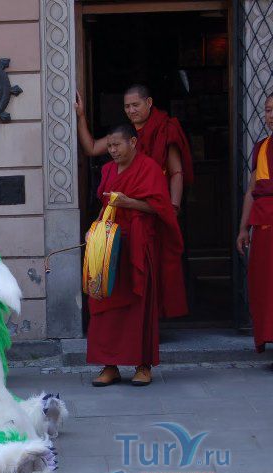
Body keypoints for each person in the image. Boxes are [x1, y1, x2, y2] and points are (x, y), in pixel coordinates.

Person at [87, 124, 187, 387]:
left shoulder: (149, 168)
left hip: (138, 245)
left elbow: (160, 207)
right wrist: (94, 229)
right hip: (109, 247)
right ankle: (110, 366)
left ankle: (143, 365)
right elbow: (106, 205)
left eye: (117, 145)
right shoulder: (108, 170)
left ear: (133, 142)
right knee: (105, 304)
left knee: (139, 307)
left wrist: (129, 203)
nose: (112, 151)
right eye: (109, 146)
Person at [75, 85, 193, 214]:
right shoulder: (125, 134)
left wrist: (174, 207)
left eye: (135, 105)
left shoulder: (165, 129)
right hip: (129, 204)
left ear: (149, 102)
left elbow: (176, 172)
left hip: (156, 202)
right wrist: (80, 116)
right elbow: (91, 148)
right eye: (127, 106)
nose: (131, 110)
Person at [237, 94, 273, 354]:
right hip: (263, 224)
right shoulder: (261, 147)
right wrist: (243, 228)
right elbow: (251, 190)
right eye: (268, 110)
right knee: (264, 285)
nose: (270, 115)